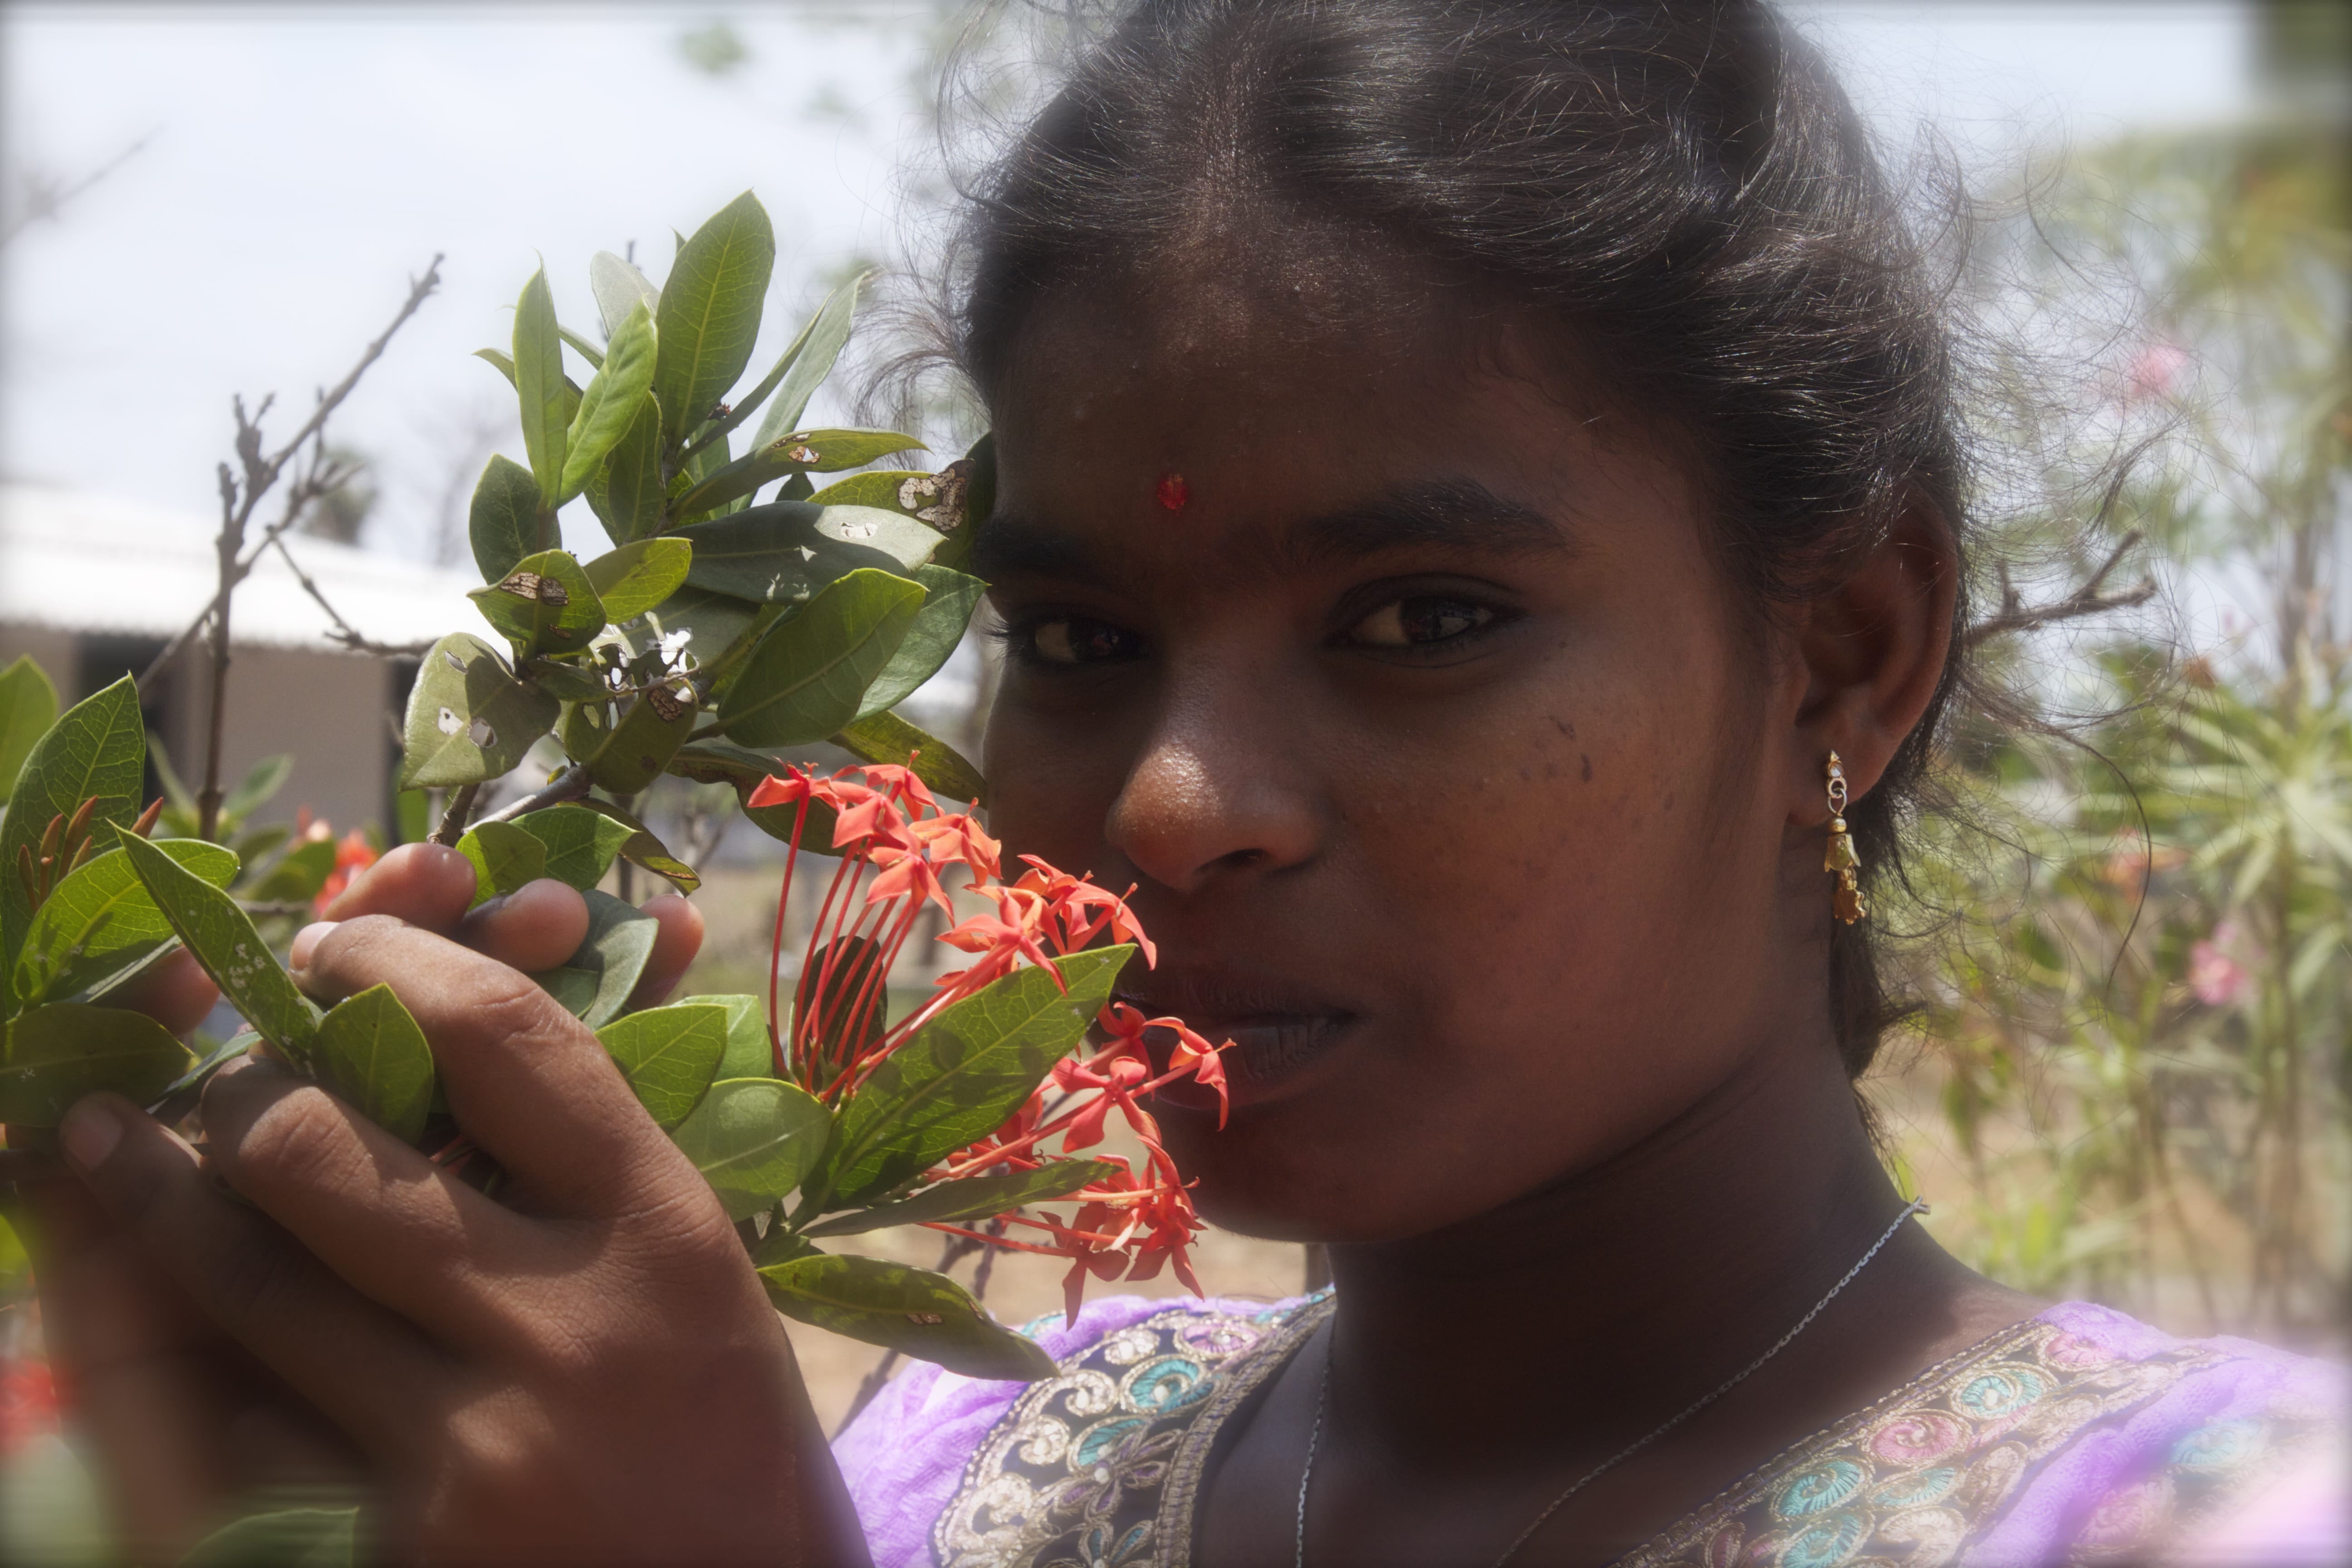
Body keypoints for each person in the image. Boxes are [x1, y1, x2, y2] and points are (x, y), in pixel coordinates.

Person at [16, 1, 2345, 1563]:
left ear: (1848, 656)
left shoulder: (2214, 1519)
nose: (1164, 802)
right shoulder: (978, 1458)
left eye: (1423, 618)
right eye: (1076, 641)